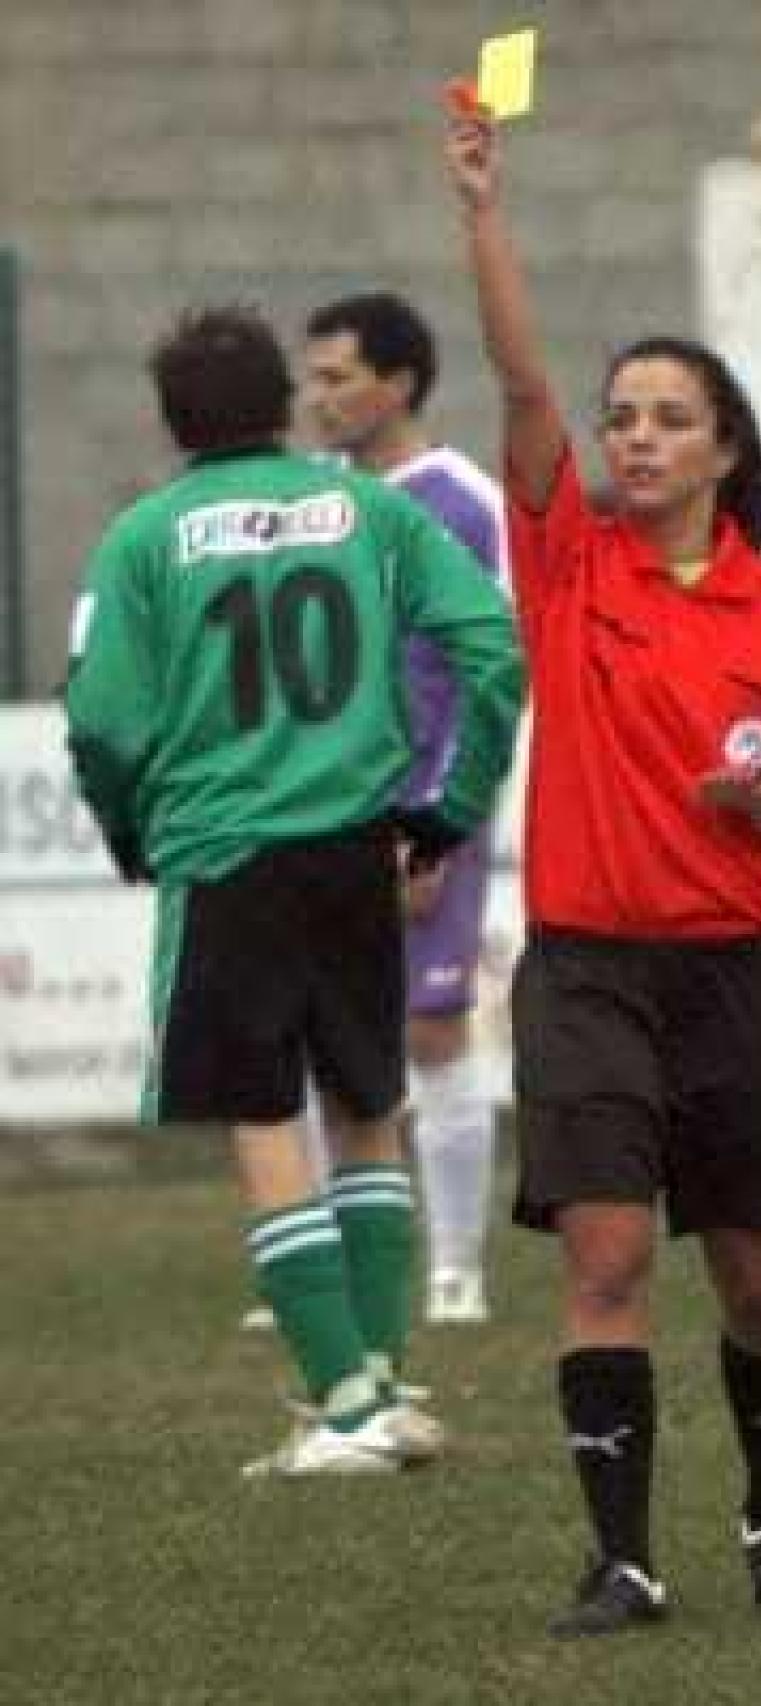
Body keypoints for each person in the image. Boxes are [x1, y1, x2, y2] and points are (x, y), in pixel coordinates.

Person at [442, 106, 761, 1636]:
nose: (632, 433)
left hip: (742, 972)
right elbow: (517, 376)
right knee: (611, 1249)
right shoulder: (570, 557)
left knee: (760, 1283)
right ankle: (621, 1558)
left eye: (666, 416)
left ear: (728, 450)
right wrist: (485, 207)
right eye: (622, 411)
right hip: (585, 965)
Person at [63, 305, 524, 1474]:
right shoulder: (373, 511)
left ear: (171, 421)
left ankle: (349, 1409)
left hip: (229, 853)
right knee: (368, 1104)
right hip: (356, 846)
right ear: (281, 403)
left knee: (265, 1114)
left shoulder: (146, 536)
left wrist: (127, 821)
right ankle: (381, 1382)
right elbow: (494, 652)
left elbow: (107, 720)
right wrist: (451, 805)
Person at [300, 289, 509, 1325]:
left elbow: (483, 670)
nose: (317, 396)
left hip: (427, 813)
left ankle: (455, 1263)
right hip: (318, 812)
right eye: (313, 376)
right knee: (322, 1033)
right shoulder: (310, 498)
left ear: (400, 383)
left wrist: (436, 821)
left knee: (431, 1029)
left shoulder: (462, 501)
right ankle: (337, 1255)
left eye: (336, 377)